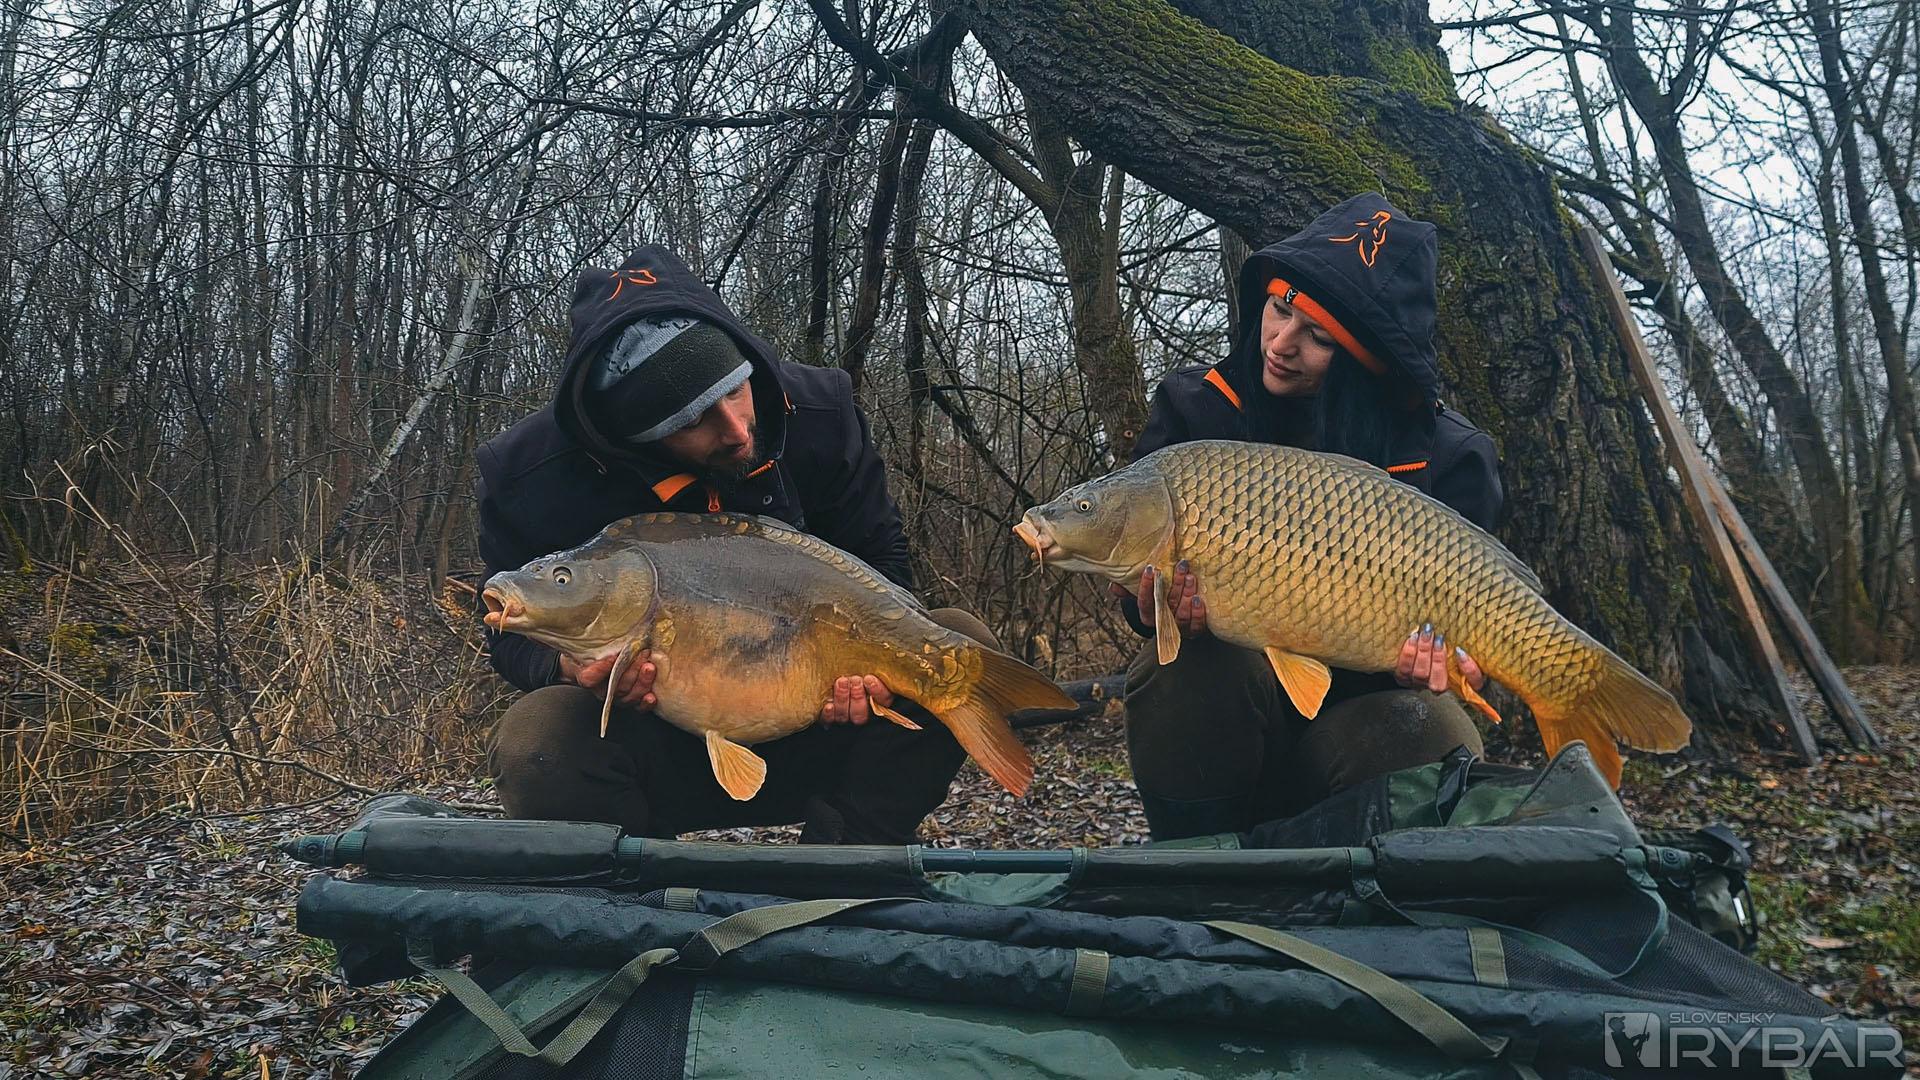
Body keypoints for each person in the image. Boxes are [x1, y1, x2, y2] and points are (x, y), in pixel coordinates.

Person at [476, 245, 988, 844]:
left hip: (820, 725)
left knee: (957, 642)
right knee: (536, 738)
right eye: (694, 421)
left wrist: (862, 671)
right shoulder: (528, 475)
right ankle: (641, 882)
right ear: (637, 436)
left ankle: (840, 863)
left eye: (736, 388)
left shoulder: (820, 412)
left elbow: (884, 566)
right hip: (657, 750)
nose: (739, 429)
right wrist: (566, 666)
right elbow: (506, 629)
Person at [1120, 193, 1507, 840]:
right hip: (1228, 728)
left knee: (1431, 723)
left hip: (1357, 730)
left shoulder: (1449, 456)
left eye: (1319, 337)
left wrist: (1439, 663)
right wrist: (1150, 605)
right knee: (1188, 665)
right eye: (1279, 309)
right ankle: (1198, 863)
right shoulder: (1197, 410)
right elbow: (1135, 597)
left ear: (1367, 363)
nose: (1281, 343)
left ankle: (1378, 878)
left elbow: (1472, 637)